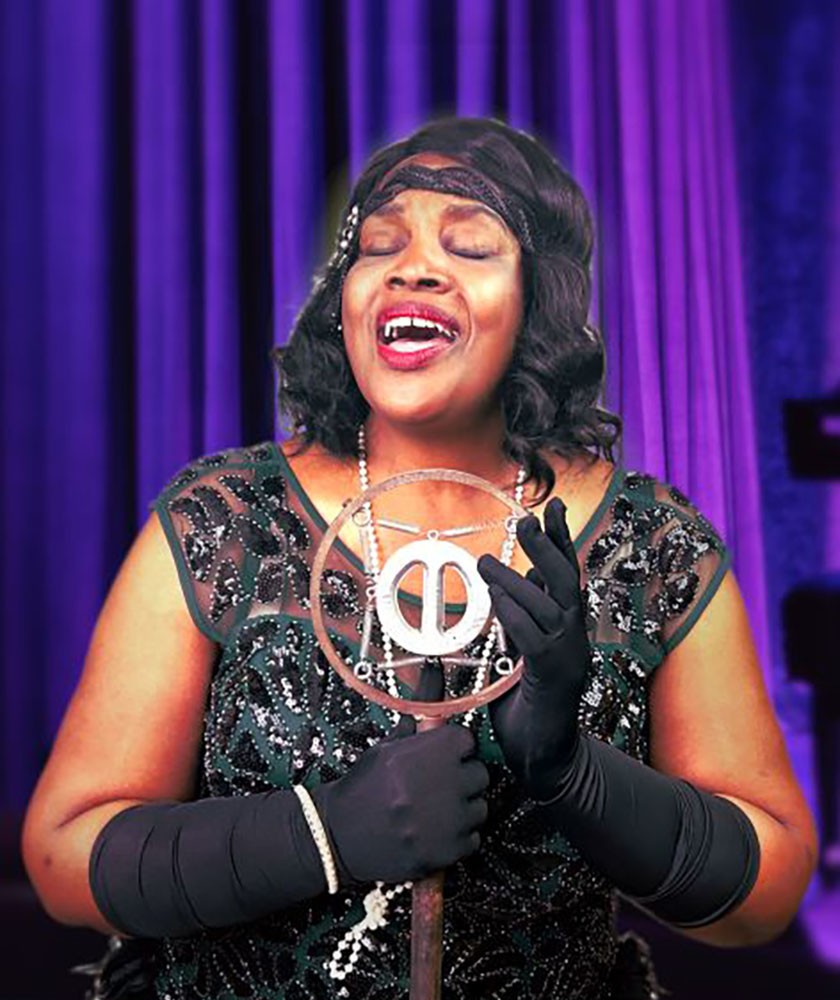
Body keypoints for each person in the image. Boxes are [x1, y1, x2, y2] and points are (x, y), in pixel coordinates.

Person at [22, 117, 817, 1000]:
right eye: (379, 244)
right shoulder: (224, 520)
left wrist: (575, 776)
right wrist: (322, 834)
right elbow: (64, 855)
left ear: (537, 301)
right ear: (347, 294)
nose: (414, 265)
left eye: (471, 245)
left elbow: (767, 892)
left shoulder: (653, 546)